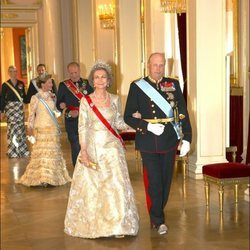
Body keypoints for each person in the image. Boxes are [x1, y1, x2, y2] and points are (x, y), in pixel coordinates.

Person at [64, 60, 139, 238]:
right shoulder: (86, 101)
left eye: (103, 77)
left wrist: (133, 120)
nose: (99, 80)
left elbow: (118, 123)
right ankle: (96, 225)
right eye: (96, 77)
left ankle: (118, 224)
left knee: (115, 186)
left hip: (112, 149)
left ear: (108, 80)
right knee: (95, 187)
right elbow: (82, 127)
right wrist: (84, 150)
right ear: (92, 80)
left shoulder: (114, 99)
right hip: (93, 147)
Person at [124, 52, 192, 235]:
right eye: (155, 65)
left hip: (169, 140)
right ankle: (158, 219)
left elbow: (182, 112)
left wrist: (187, 137)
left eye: (162, 65)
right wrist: (146, 126)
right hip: (148, 140)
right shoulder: (137, 86)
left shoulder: (173, 84)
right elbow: (128, 116)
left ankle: (157, 210)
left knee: (166, 181)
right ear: (148, 65)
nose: (159, 68)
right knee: (155, 181)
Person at [17, 75, 71, 187]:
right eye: (49, 83)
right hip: (40, 128)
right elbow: (31, 115)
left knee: (52, 153)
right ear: (42, 84)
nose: (51, 85)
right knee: (41, 154)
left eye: (51, 83)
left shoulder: (53, 96)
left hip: (52, 128)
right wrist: (30, 129)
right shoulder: (35, 98)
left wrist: (60, 108)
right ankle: (41, 178)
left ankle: (51, 177)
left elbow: (55, 112)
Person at [56, 62, 93, 167]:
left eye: (76, 72)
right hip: (71, 120)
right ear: (68, 72)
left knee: (86, 145)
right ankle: (78, 168)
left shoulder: (87, 83)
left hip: (86, 120)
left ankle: (87, 168)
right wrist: (64, 108)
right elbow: (58, 105)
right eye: (71, 73)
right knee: (75, 145)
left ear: (79, 71)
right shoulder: (63, 85)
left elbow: (92, 101)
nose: (74, 75)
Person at [0, 65, 29, 158]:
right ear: (9, 73)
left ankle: (22, 150)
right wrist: (1, 111)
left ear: (17, 72)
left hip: (19, 109)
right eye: (11, 71)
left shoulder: (21, 83)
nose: (13, 73)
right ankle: (12, 151)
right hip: (10, 109)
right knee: (12, 129)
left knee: (20, 129)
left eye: (15, 71)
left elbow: (24, 97)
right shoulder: (5, 85)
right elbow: (2, 99)